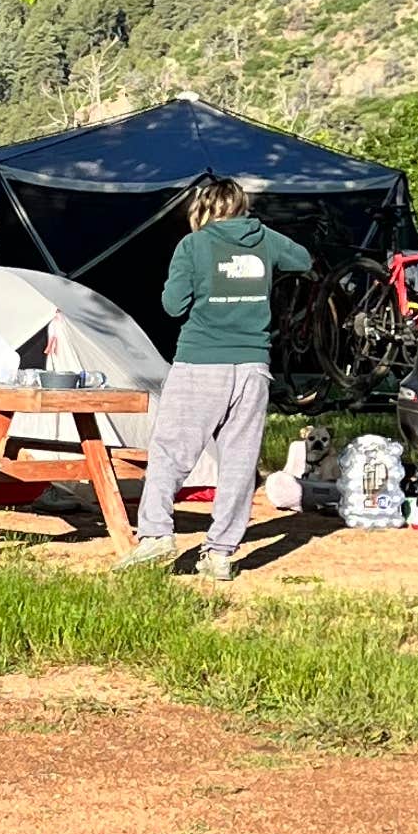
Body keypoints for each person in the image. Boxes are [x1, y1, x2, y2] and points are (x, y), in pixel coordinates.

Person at [120, 174, 312, 578]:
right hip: (253, 367)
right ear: (242, 207)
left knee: (172, 452)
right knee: (240, 462)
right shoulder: (265, 239)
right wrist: (259, 243)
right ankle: (221, 553)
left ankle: (156, 535)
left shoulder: (194, 245)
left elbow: (173, 306)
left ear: (203, 209)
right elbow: (304, 260)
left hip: (201, 362)